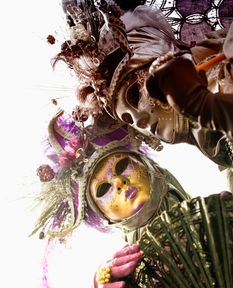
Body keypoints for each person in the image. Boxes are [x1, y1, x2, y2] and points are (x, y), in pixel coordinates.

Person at [34, 111, 233, 288]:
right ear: (105, 217)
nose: (118, 183)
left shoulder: (221, 217)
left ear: (150, 167)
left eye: (122, 166)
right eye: (103, 189)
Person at [54, 0, 233, 169]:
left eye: (134, 95)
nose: (139, 120)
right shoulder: (221, 149)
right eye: (127, 119)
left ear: (168, 62)